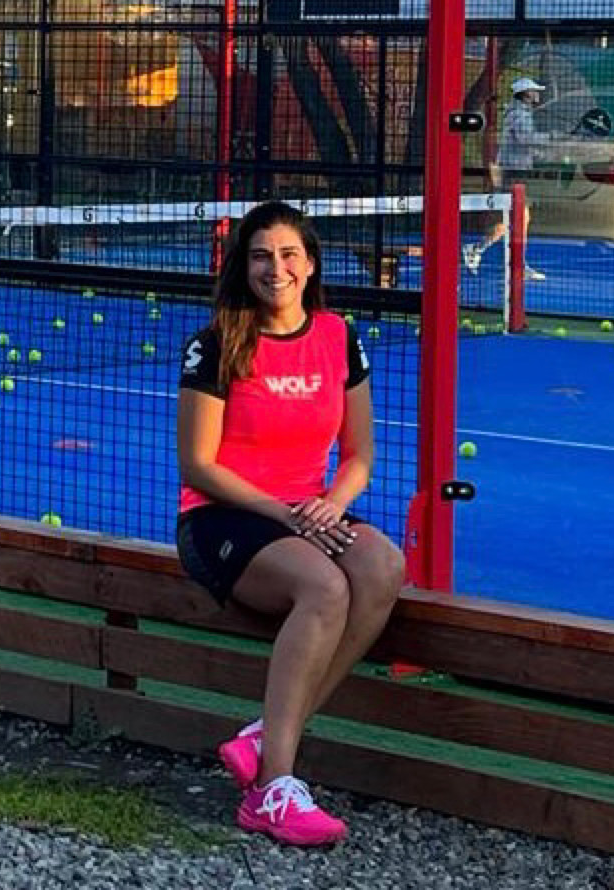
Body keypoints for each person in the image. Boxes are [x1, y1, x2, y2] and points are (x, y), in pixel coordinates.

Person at [175, 201, 406, 847]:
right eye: (259, 256)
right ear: (243, 266)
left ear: (309, 264)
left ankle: (265, 736)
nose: (274, 269)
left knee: (383, 566)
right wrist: (285, 515)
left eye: (287, 255)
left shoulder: (338, 336)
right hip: (223, 516)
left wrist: (332, 502)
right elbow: (197, 466)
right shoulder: (216, 344)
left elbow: (359, 455)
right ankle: (273, 789)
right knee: (325, 588)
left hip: (307, 512)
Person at [463, 76, 551, 282]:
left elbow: (523, 145)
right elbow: (526, 139)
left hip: (516, 172)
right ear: (526, 94)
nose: (537, 94)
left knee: (511, 221)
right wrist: (550, 138)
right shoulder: (519, 114)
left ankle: (480, 250)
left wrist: (543, 153)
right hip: (513, 174)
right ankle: (515, 264)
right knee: (520, 219)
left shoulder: (520, 113)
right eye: (534, 90)